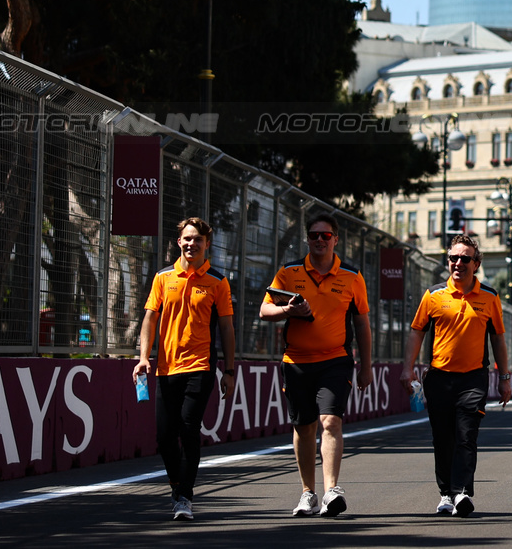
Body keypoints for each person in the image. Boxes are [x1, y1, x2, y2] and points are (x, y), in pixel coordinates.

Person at [260, 213, 372, 518]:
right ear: (307, 239)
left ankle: (331, 490)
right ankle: (307, 493)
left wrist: (366, 366)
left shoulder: (352, 276)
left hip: (335, 360)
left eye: (326, 236)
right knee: (303, 426)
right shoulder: (289, 272)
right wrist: (288, 310)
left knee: (330, 422)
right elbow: (264, 310)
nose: (319, 240)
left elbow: (362, 322)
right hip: (296, 361)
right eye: (314, 236)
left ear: (336, 239)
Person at [400, 234, 512, 517]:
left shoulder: (490, 297)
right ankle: (446, 494)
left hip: (473, 379)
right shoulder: (433, 295)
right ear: (447, 261)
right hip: (438, 378)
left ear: (476, 264)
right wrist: (407, 367)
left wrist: (504, 377)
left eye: (465, 258)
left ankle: (462, 492)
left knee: (466, 436)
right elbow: (417, 332)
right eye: (453, 258)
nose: (458, 263)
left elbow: (498, 338)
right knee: (443, 438)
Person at [132, 217, 235, 521]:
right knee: (164, 436)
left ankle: (185, 498)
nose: (191, 244)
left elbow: (227, 328)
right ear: (179, 242)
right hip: (166, 368)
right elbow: (150, 318)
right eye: (186, 239)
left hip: (201, 366)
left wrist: (229, 370)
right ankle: (177, 485)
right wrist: (143, 357)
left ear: (207, 244)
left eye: (197, 240)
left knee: (189, 428)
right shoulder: (163, 277)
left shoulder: (218, 281)